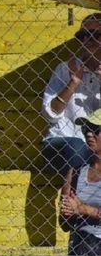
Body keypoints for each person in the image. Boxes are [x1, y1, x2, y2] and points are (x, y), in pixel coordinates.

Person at [41, 14, 101, 178]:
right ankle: (73, 199)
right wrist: (73, 82)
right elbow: (50, 114)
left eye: (96, 35)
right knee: (78, 148)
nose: (88, 40)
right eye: (83, 35)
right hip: (65, 140)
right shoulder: (65, 69)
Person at [60, 111, 101, 256]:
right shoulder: (75, 172)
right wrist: (68, 210)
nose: (89, 134)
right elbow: (65, 225)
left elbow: (81, 209)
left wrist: (84, 209)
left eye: (96, 130)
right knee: (84, 242)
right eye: (86, 130)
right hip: (81, 244)